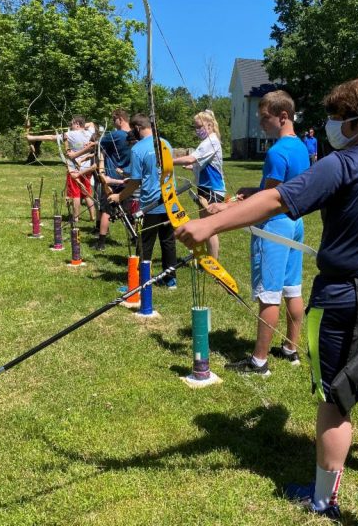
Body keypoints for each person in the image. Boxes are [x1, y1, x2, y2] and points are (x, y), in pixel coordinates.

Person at [174, 77, 358, 518]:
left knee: (335, 400)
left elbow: (277, 199)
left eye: (340, 119)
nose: (332, 127)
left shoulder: (343, 165)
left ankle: (322, 498)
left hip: (342, 297)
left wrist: (210, 226)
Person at [209, 90, 309, 376]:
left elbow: (268, 201)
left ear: (283, 116)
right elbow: (276, 189)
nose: (261, 125)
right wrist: (252, 191)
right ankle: (291, 349)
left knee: (270, 294)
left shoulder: (277, 152)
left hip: (274, 227)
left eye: (265, 119)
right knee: (293, 288)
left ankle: (259, 361)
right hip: (294, 222)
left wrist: (225, 211)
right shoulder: (300, 147)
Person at [108, 114, 178, 289]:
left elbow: (135, 182)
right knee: (168, 241)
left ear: (137, 128)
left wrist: (119, 196)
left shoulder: (137, 149)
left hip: (150, 203)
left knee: (144, 243)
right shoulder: (165, 143)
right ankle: (170, 279)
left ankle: (138, 281)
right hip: (170, 200)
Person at [171, 109, 227, 258]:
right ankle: (209, 258)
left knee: (210, 227)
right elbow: (203, 163)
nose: (197, 130)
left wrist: (169, 162)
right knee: (205, 225)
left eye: (199, 127)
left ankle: (213, 261)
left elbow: (191, 158)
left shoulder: (211, 141)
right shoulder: (208, 141)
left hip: (213, 190)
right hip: (205, 188)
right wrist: (193, 167)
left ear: (209, 125)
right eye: (195, 127)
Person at [26, 116, 97, 223]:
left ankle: (76, 217)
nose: (70, 126)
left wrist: (32, 138)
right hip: (87, 167)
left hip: (74, 168)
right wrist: (82, 125)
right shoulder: (90, 132)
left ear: (77, 124)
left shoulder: (70, 134)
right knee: (86, 192)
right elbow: (91, 123)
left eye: (72, 124)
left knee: (75, 193)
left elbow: (50, 137)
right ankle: (92, 216)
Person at [95, 109, 133, 249]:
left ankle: (101, 243)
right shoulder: (134, 135)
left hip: (113, 178)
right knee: (128, 210)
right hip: (128, 177)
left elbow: (98, 143)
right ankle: (134, 237)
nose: (113, 122)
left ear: (120, 119)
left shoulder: (116, 135)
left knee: (106, 209)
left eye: (113, 119)